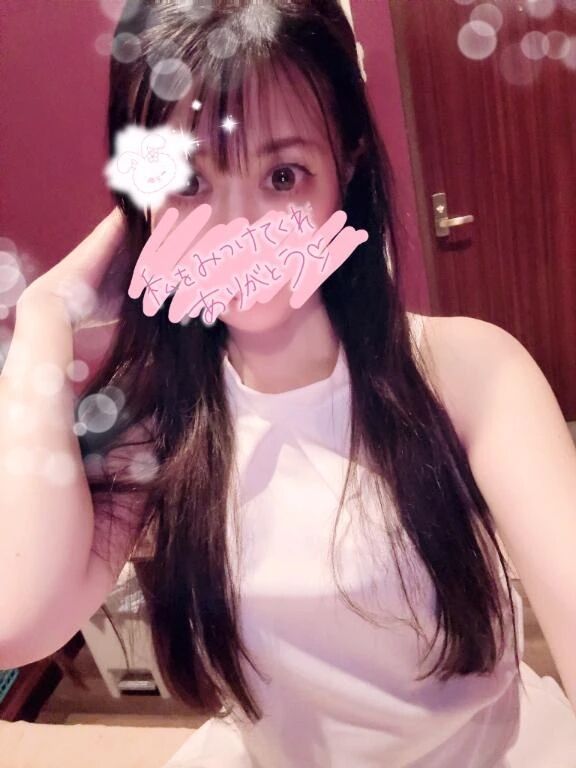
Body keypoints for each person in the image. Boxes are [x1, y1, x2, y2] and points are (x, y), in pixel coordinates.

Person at [2, 1, 576, 766]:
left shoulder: (467, 373)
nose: (239, 230)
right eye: (190, 180)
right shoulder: (157, 419)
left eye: (281, 175)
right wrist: (46, 314)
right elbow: (18, 619)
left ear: (348, 163)